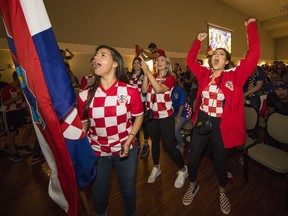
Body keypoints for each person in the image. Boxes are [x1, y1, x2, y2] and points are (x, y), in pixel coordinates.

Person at [183, 18, 260, 215]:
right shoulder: (203, 74)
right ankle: (193, 186)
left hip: (221, 125)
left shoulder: (234, 75)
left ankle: (222, 192)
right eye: (215, 54)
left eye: (221, 54)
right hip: (202, 120)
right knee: (192, 161)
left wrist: (250, 28)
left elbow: (254, 55)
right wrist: (197, 41)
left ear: (226, 61)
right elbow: (190, 61)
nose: (217, 55)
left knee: (220, 162)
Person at [77, 45, 143, 216]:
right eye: (95, 56)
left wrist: (129, 140)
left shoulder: (130, 91)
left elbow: (139, 116)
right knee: (98, 194)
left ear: (115, 63)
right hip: (98, 152)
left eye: (102, 55)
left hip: (125, 148)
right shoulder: (84, 95)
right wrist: (76, 145)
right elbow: (84, 124)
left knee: (128, 189)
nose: (96, 59)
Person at [141, 54, 188, 189]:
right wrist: (146, 74)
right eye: (157, 60)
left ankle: (183, 170)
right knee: (154, 142)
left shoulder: (171, 78)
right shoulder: (152, 76)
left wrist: (148, 73)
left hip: (165, 116)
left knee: (169, 145)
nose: (159, 62)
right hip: (152, 116)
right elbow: (144, 90)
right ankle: (156, 168)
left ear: (167, 65)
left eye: (162, 60)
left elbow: (159, 89)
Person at [1, 71, 34, 162]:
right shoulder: (7, 89)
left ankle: (24, 146)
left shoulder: (23, 88)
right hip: (9, 112)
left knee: (29, 126)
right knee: (12, 132)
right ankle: (13, 153)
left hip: (21, 111)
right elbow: (4, 103)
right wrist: (18, 97)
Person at [129, 57, 150, 158]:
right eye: (134, 63)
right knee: (134, 123)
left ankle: (146, 143)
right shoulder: (129, 76)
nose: (136, 65)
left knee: (144, 124)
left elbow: (145, 90)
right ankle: (136, 142)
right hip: (131, 104)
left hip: (142, 102)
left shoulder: (144, 76)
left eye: (138, 63)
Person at [171, 71, 192, 154]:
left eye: (173, 76)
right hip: (175, 112)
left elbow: (182, 105)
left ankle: (181, 145)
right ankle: (180, 136)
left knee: (175, 129)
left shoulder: (179, 89)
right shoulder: (167, 88)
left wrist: (177, 118)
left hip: (185, 112)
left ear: (176, 78)